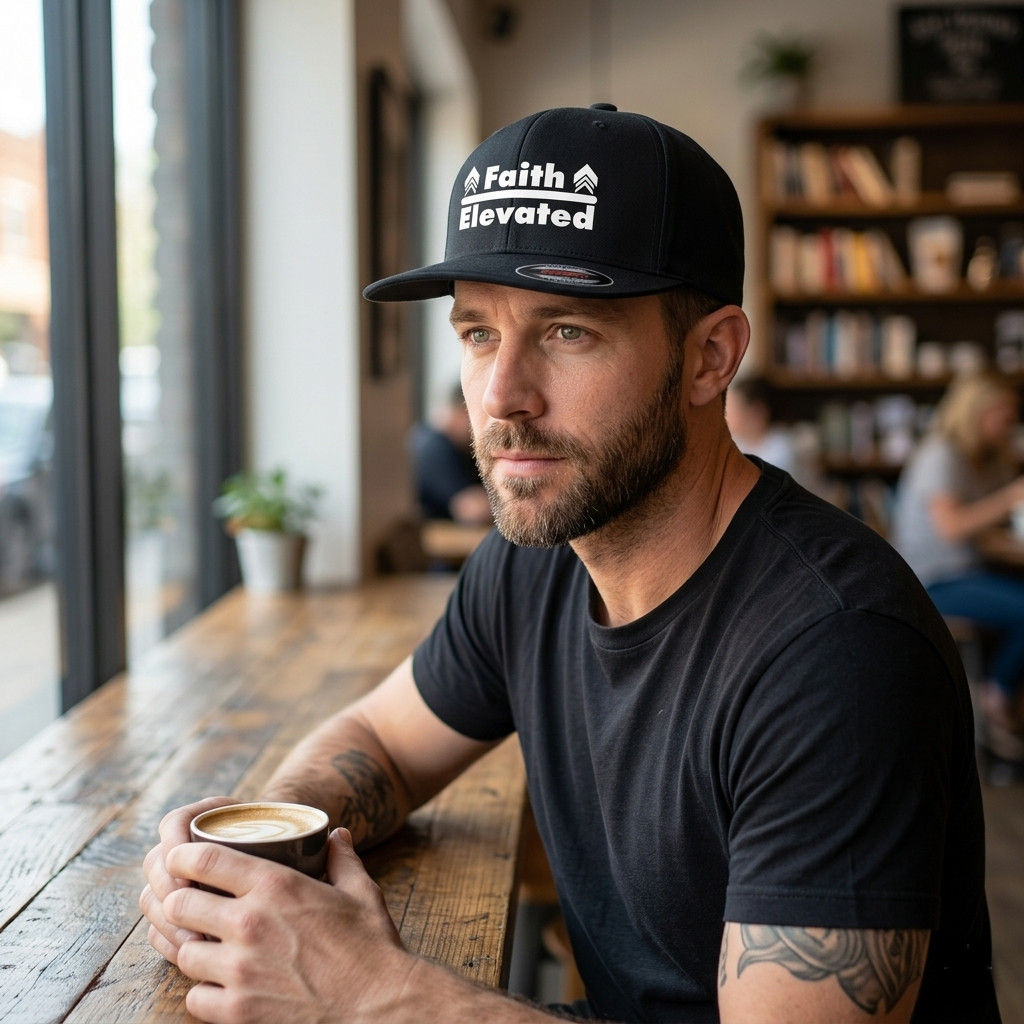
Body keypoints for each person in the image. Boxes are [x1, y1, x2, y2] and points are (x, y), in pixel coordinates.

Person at [141, 105, 999, 1024]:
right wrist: (265, 854)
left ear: (710, 357)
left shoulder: (839, 652)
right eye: (478, 333)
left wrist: (370, 992)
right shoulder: (538, 563)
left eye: (567, 332)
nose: (502, 396)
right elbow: (380, 741)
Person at [892, 370, 1024, 751]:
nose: (1010, 422)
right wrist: (1010, 497)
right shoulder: (941, 455)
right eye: (1004, 413)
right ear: (977, 412)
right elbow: (952, 527)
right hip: (931, 579)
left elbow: (982, 536)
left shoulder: (985, 459)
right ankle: (996, 695)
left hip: (967, 571)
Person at [409, 382, 492, 524]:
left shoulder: (461, 447)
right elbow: (472, 508)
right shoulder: (434, 446)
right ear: (464, 412)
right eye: (484, 415)